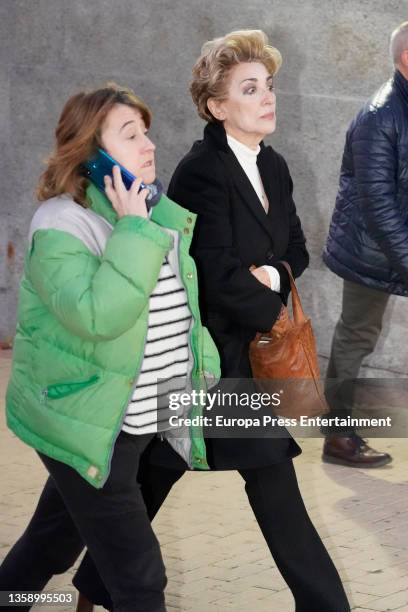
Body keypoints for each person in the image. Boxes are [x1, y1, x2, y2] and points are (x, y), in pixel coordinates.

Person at [0, 83, 220, 612]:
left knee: (48, 547)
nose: (149, 146)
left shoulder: (151, 213)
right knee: (140, 579)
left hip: (131, 421)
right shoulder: (61, 226)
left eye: (146, 133)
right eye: (130, 136)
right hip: (84, 419)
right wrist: (133, 229)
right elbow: (100, 316)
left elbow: (179, 307)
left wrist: (202, 369)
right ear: (91, 156)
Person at [322, 22, 408, 468]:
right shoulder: (381, 116)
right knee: (356, 337)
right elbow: (378, 207)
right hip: (372, 252)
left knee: (358, 336)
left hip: (397, 245)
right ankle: (337, 436)